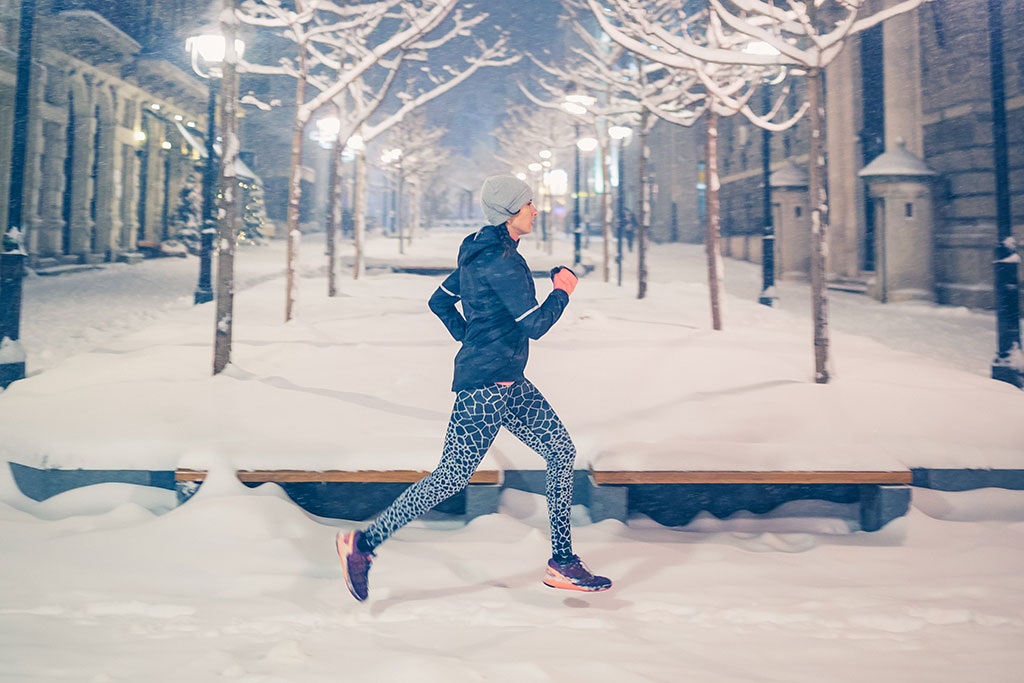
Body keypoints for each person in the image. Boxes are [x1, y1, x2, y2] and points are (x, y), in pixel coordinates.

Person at [337, 174, 612, 601]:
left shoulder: (479, 253)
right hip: (485, 386)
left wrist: (472, 339)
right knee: (451, 476)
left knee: (561, 451)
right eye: (528, 205)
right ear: (508, 213)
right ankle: (363, 545)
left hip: (508, 382)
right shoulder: (501, 260)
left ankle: (562, 561)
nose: (535, 210)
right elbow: (535, 325)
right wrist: (563, 290)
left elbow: (440, 301)